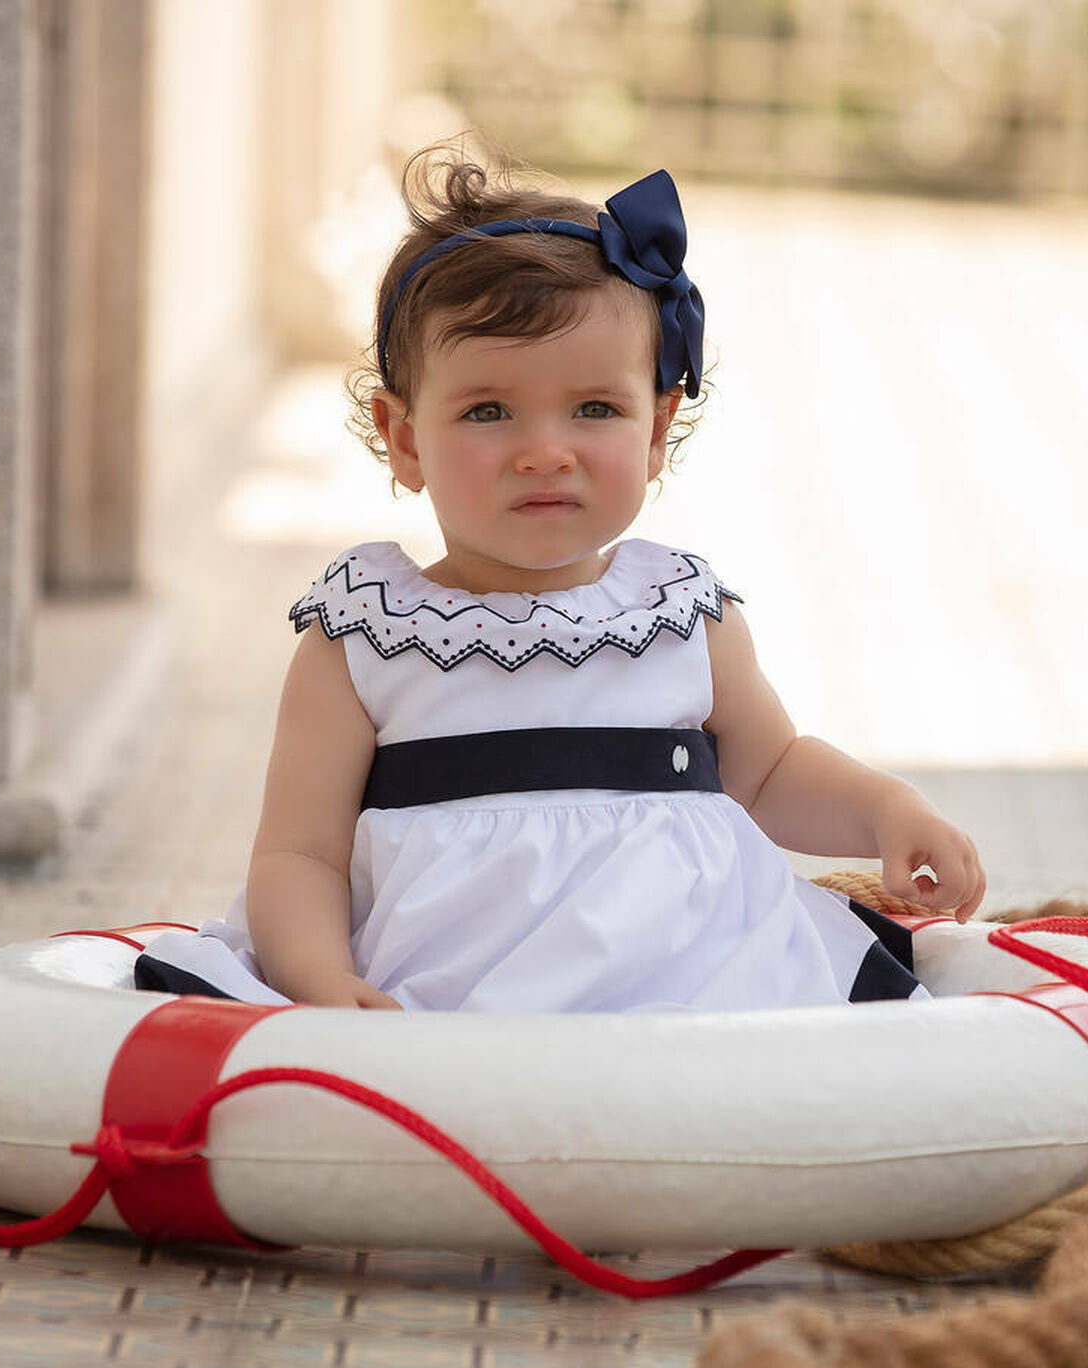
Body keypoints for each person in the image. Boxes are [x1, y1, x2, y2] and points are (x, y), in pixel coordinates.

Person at [136, 151, 984, 1013]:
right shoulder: (366, 637)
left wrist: (886, 809)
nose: (547, 450)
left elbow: (770, 777)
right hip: (448, 989)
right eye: (488, 411)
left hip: (699, 977)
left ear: (656, 430)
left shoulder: (683, 613)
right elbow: (300, 854)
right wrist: (320, 979)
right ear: (405, 438)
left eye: (594, 409)